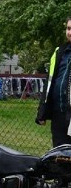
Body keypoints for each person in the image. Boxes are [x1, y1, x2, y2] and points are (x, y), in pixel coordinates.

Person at [37, 17, 71, 146]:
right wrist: (42, 111)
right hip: (59, 115)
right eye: (68, 28)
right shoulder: (59, 52)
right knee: (59, 156)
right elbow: (49, 82)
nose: (70, 32)